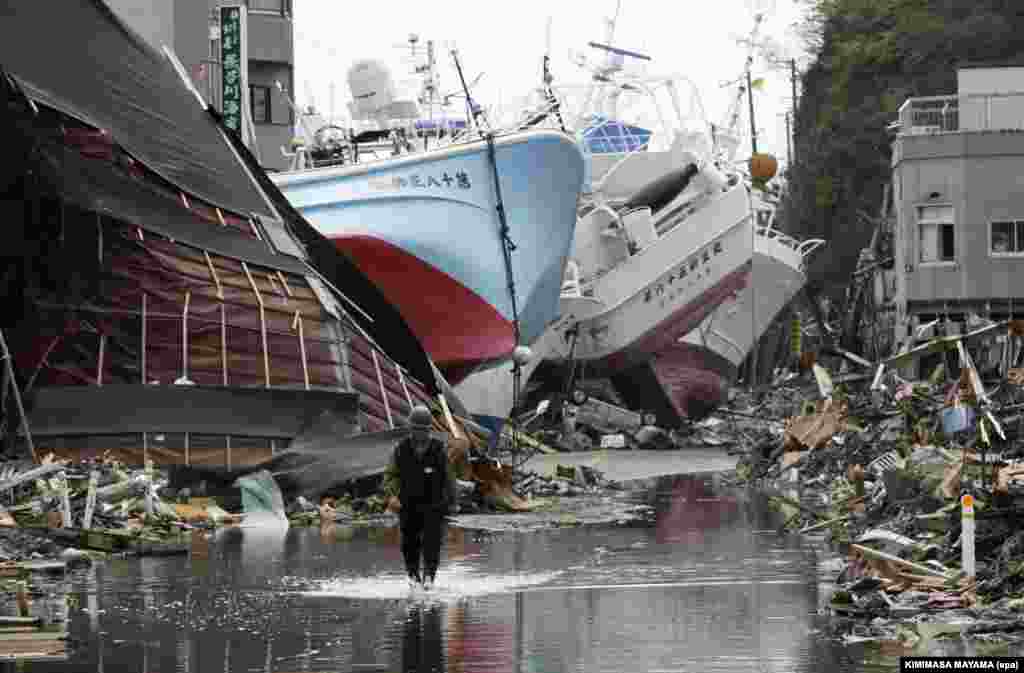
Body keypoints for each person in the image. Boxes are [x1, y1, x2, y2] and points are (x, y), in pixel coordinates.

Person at [386, 404, 457, 588]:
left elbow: (449, 478)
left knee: (432, 542)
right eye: (415, 429)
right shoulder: (400, 449)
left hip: (434, 505)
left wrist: (453, 503)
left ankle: (429, 577)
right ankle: (413, 576)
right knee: (409, 543)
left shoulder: (439, 450)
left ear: (429, 430)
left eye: (423, 430)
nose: (419, 433)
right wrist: (392, 495)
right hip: (408, 505)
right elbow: (390, 476)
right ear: (410, 429)